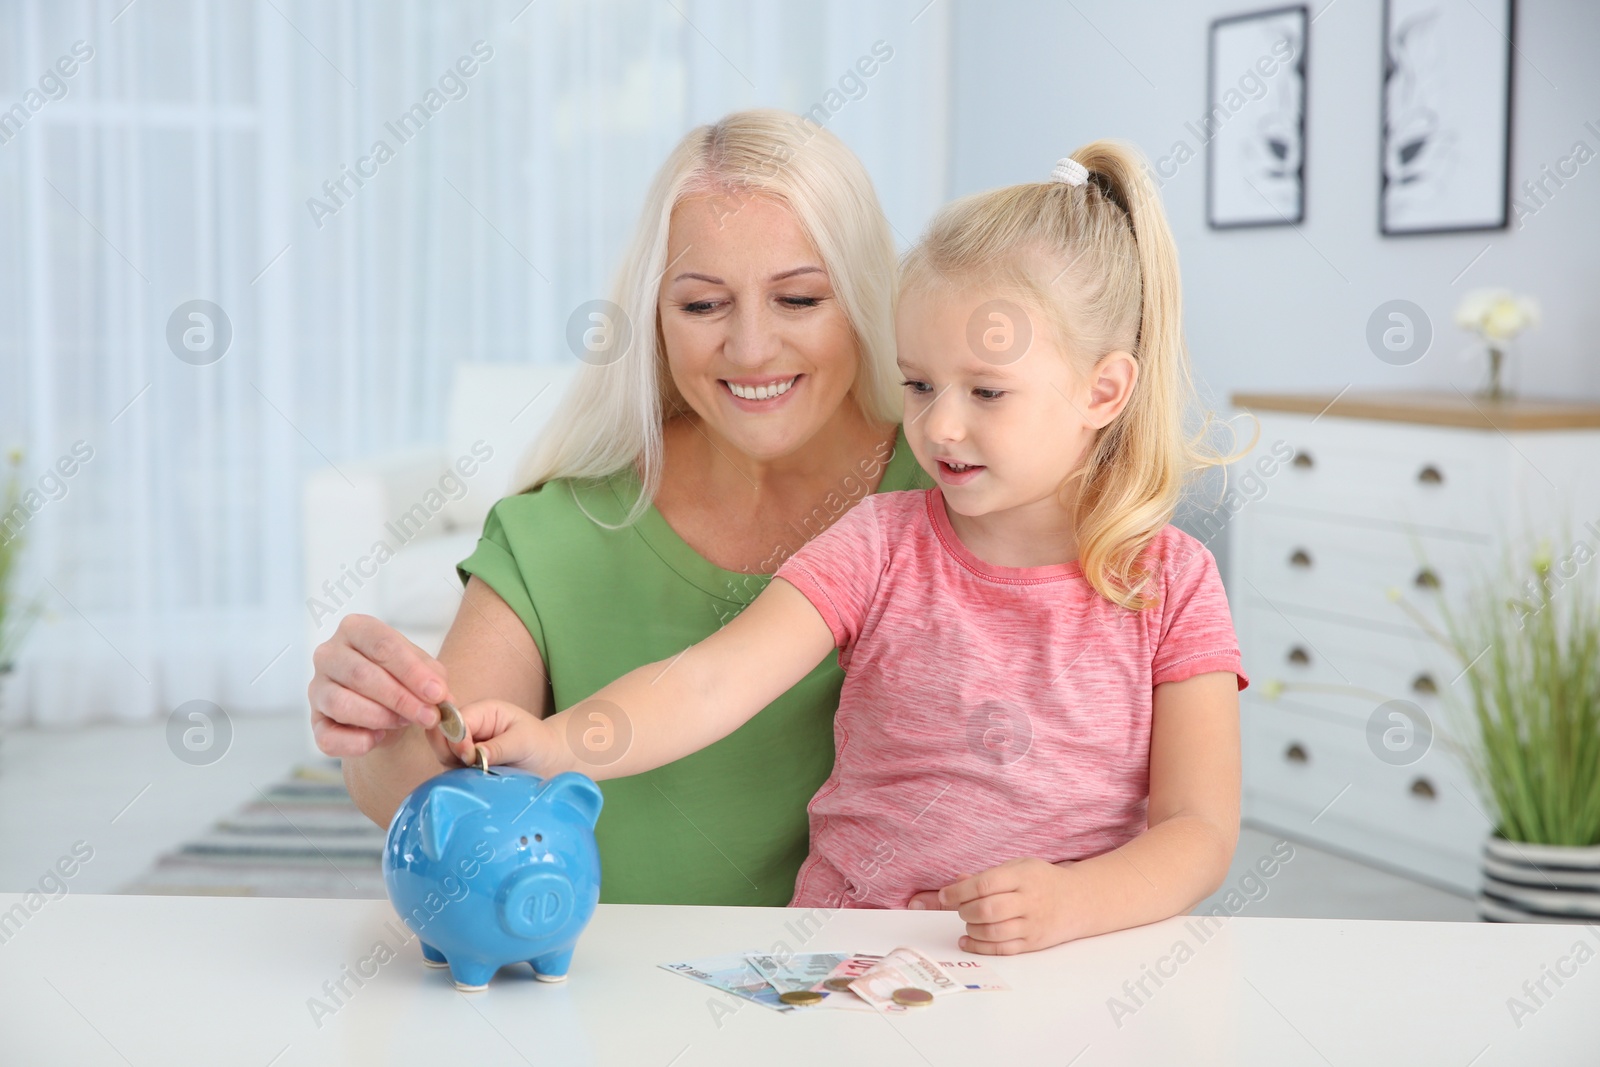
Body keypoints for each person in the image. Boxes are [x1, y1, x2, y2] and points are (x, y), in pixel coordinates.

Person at [445, 144, 1257, 957]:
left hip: (1066, 961)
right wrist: (556, 743)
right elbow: (709, 682)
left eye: (985, 390)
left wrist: (1074, 900)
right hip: (846, 962)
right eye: (919, 384)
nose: (941, 425)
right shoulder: (877, 540)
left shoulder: (1172, 584)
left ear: (1104, 390)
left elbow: (1199, 829)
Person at [309, 109, 934, 906]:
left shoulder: (962, 497)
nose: (749, 348)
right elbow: (430, 791)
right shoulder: (563, 531)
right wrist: (384, 726)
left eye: (799, 299)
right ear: (656, 318)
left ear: (865, 298)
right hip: (616, 1008)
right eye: (703, 305)